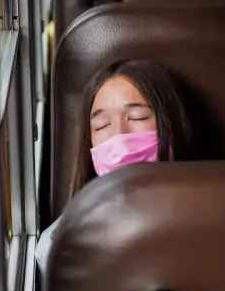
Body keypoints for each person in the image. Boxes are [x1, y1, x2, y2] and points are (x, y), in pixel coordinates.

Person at [34, 60, 193, 272]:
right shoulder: (60, 246)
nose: (119, 136)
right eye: (103, 126)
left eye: (139, 117)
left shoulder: (215, 219)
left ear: (171, 124)